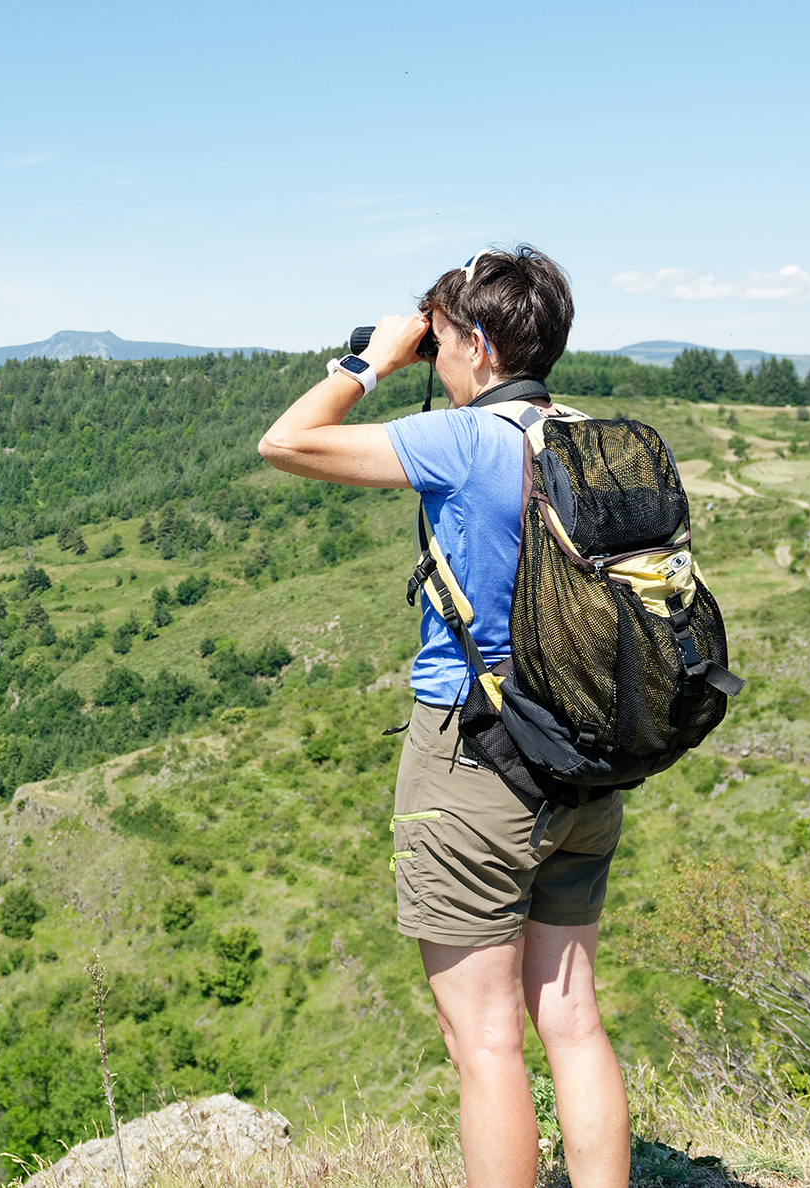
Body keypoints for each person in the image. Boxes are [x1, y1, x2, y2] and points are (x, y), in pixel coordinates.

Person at [256, 246, 628, 1188]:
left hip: (476, 758)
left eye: (444, 336)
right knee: (573, 1019)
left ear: (477, 342)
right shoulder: (592, 439)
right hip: (586, 756)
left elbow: (286, 442)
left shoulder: (463, 441)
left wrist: (371, 362)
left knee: (486, 1041)